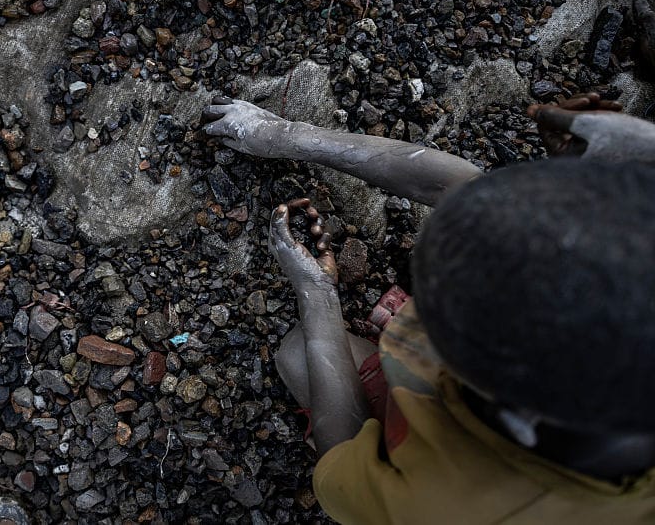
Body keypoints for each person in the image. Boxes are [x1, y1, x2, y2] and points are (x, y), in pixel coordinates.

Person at [203, 93, 655, 523]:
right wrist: (593, 178)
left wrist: (316, 293)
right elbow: (470, 194)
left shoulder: (438, 506)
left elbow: (338, 450)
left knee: (298, 353)